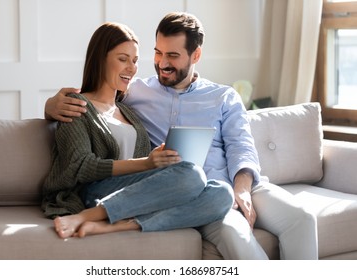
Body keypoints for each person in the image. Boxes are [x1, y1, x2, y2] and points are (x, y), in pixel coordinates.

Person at [45, 13, 318, 259]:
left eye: (173, 56)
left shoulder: (222, 96)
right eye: (158, 53)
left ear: (195, 55)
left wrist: (242, 189)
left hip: (236, 185)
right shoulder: (136, 91)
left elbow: (241, 147)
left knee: (303, 218)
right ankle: (101, 219)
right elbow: (94, 100)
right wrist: (50, 107)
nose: (162, 63)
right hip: (183, 187)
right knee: (235, 231)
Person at [41, 22, 233, 239]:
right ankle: (88, 215)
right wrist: (147, 163)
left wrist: (159, 164)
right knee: (192, 174)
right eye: (123, 59)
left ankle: (117, 225)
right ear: (100, 59)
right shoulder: (77, 104)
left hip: (135, 192)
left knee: (222, 193)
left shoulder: (128, 109)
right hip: (94, 191)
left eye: (135, 61)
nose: (131, 68)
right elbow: (80, 167)